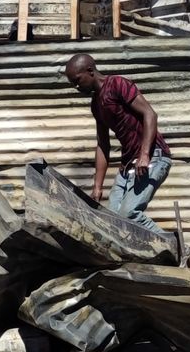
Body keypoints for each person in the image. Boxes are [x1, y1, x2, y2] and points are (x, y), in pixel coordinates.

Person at [65, 52, 171, 232]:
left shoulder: (117, 84)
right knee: (112, 221)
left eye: (77, 80)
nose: (76, 86)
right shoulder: (96, 103)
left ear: (90, 71)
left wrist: (144, 155)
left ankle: (174, 247)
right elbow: (102, 145)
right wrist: (97, 187)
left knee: (129, 214)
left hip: (153, 157)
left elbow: (150, 114)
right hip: (128, 165)